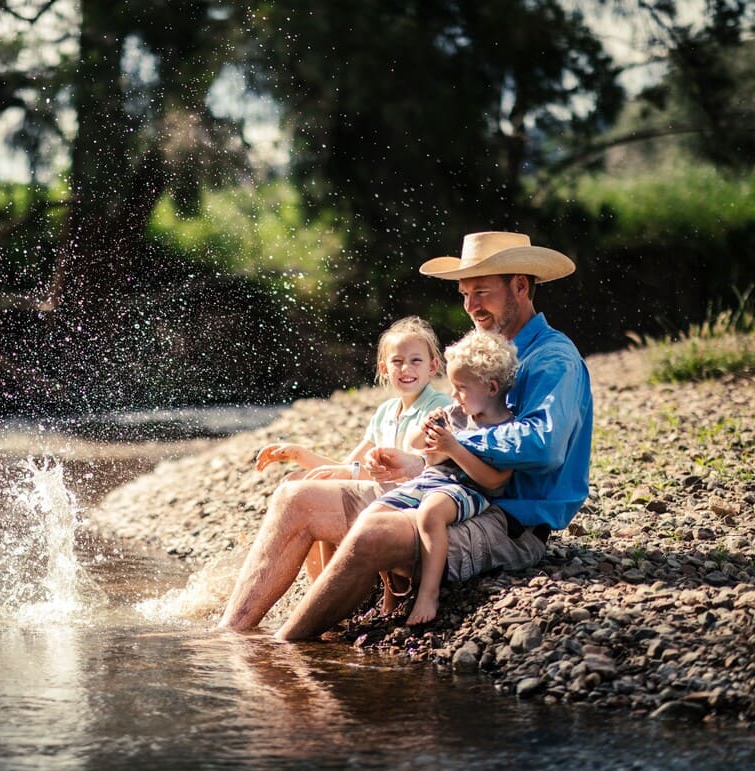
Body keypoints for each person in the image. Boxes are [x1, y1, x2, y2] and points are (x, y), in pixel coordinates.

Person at [219, 231, 593, 641]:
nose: (470, 306)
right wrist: (419, 461)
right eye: (464, 294)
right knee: (295, 495)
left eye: (481, 292)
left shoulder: (552, 358)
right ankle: (233, 638)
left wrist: (454, 444)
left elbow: (544, 445)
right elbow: (466, 434)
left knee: (373, 531)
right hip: (454, 489)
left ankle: (283, 648)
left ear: (520, 286)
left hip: (509, 522)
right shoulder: (483, 354)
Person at [253, 317, 452, 596]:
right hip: (376, 491)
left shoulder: (439, 406)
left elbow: (413, 469)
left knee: (311, 497)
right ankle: (318, 587)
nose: (406, 368)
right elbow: (347, 467)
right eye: (397, 362)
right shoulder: (386, 411)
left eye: (416, 360)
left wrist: (347, 474)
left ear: (433, 366)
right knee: (296, 480)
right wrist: (299, 454)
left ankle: (327, 593)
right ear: (384, 368)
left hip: (409, 500)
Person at [363, 329, 519, 625]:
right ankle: (391, 593)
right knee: (376, 512)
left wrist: (453, 448)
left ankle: (428, 592)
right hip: (434, 478)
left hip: (470, 489)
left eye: (460, 387)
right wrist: (425, 429)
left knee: (431, 512)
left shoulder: (508, 430)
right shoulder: (456, 413)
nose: (453, 395)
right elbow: (415, 444)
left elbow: (495, 481)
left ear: (491, 388)